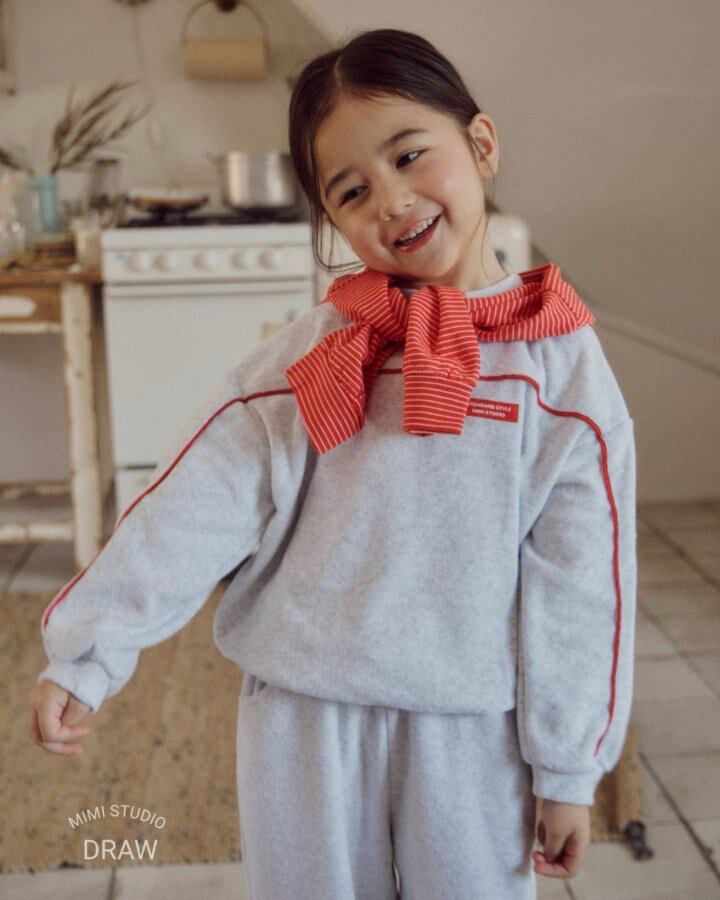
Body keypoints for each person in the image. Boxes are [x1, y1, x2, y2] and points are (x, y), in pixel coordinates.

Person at [30, 28, 637, 900]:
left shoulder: (562, 370)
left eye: (409, 155)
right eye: (352, 190)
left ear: (481, 145)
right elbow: (191, 506)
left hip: (471, 726)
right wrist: (88, 653)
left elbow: (582, 583)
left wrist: (570, 768)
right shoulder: (311, 358)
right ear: (331, 219)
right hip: (302, 717)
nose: (392, 200)